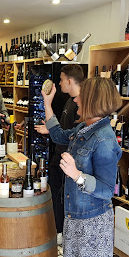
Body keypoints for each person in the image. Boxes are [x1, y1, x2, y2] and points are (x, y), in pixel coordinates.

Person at [42, 77, 122, 257]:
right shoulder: (85, 128)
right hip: (77, 217)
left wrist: (77, 175)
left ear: (92, 100)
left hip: (92, 222)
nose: (75, 99)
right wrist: (48, 103)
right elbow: (57, 135)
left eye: (79, 96)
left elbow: (108, 189)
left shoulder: (105, 140)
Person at [35, 64, 84, 245]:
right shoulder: (70, 100)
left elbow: (75, 135)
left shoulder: (80, 104)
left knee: (63, 197)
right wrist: (52, 130)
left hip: (69, 162)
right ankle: (58, 231)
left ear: (69, 81)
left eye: (62, 79)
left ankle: (63, 234)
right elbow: (66, 131)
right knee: (56, 195)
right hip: (59, 157)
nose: (59, 82)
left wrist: (52, 131)